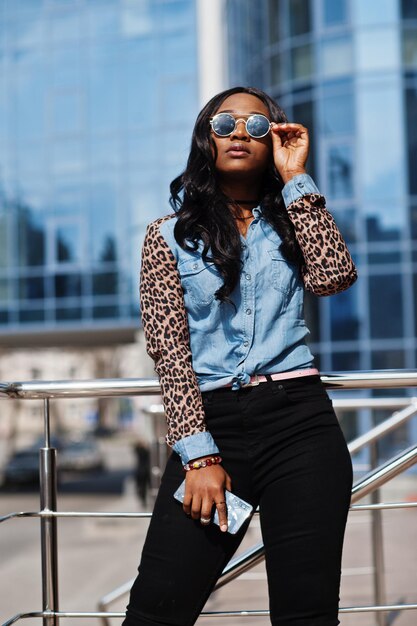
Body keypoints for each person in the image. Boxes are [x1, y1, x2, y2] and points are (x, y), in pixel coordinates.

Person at [123, 86, 357, 626]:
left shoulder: (293, 220)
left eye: (256, 127)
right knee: (157, 609)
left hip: (300, 427)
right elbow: (169, 351)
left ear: (271, 139)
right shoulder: (166, 237)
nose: (239, 135)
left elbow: (334, 276)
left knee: (307, 615)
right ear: (206, 137)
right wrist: (200, 457)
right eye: (225, 123)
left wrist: (297, 177)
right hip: (213, 430)